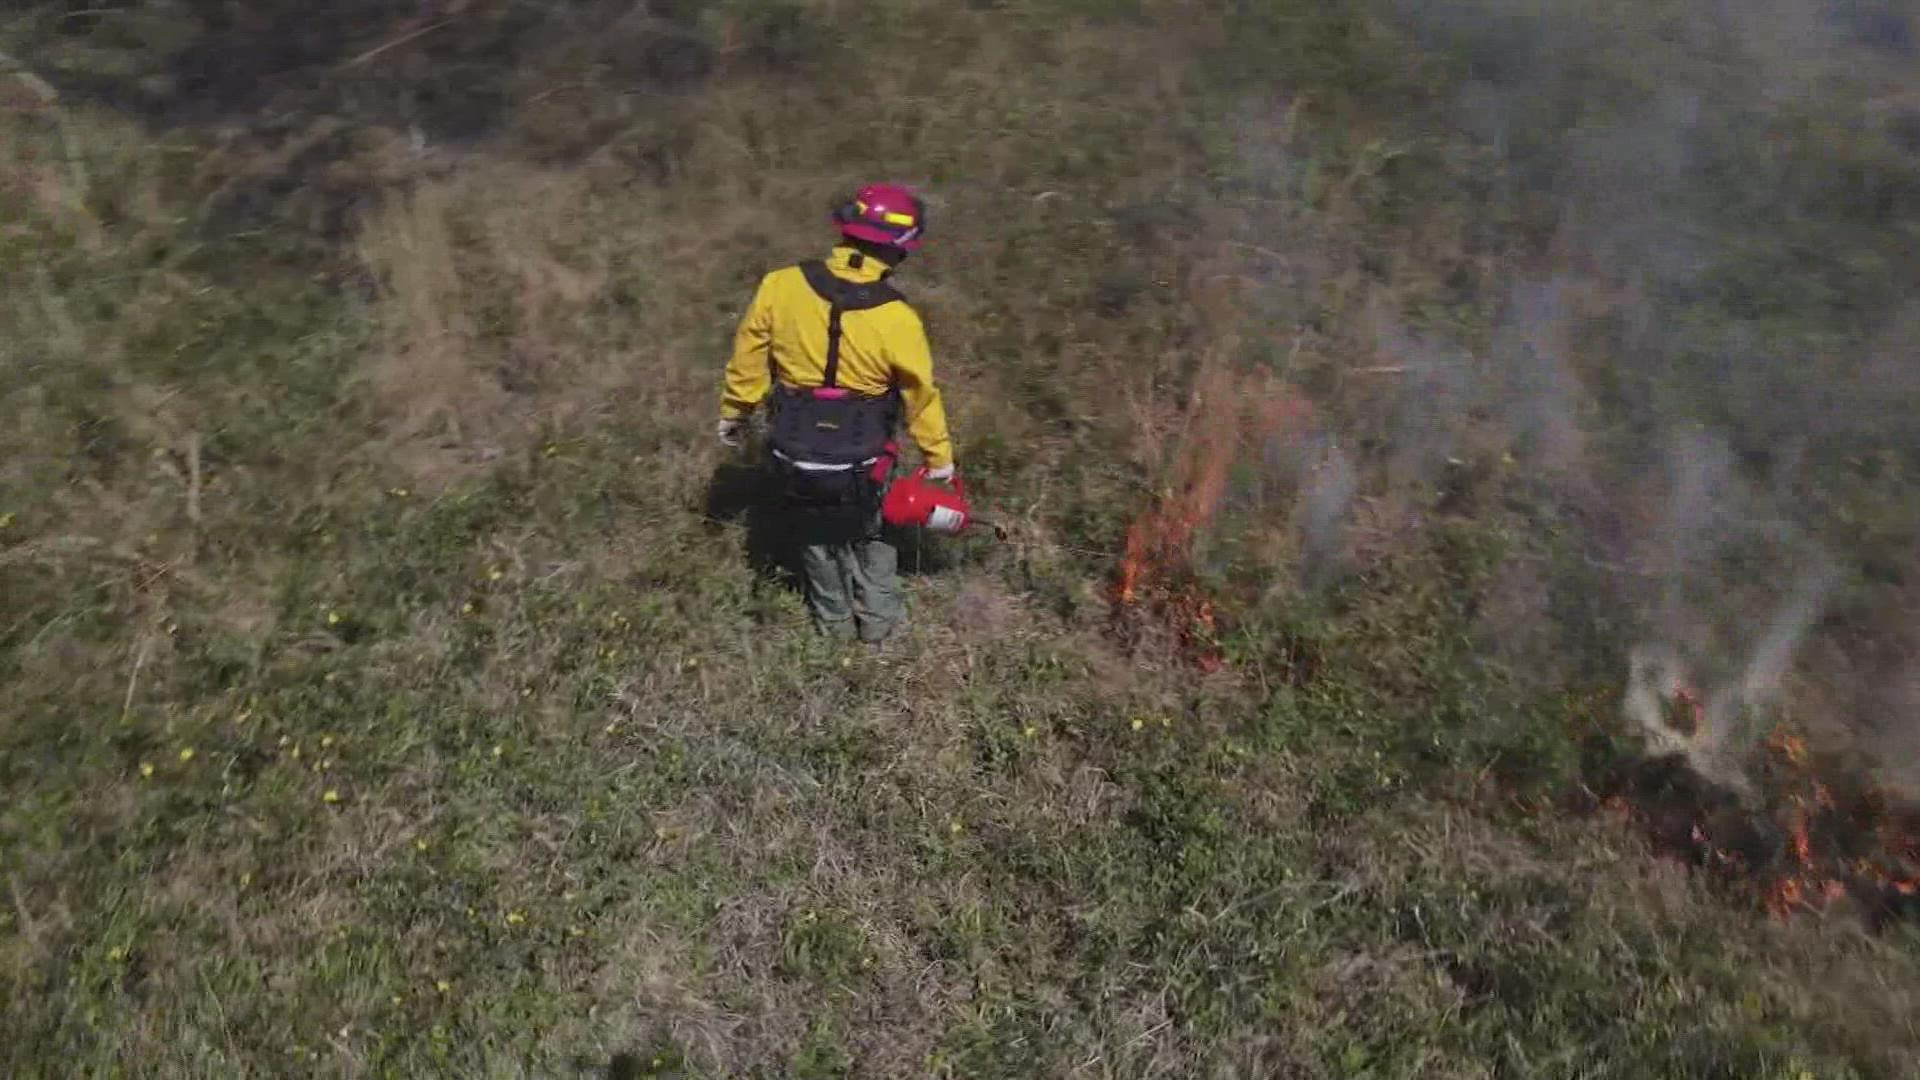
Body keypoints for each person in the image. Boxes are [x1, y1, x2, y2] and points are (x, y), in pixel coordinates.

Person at [717, 184, 955, 644]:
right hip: (864, 450)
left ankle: (833, 628)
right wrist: (938, 456)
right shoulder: (897, 316)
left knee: (813, 532)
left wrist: (736, 409)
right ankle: (878, 626)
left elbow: (749, 353)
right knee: (874, 529)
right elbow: (919, 393)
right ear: (897, 249)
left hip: (794, 442)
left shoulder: (780, 284)